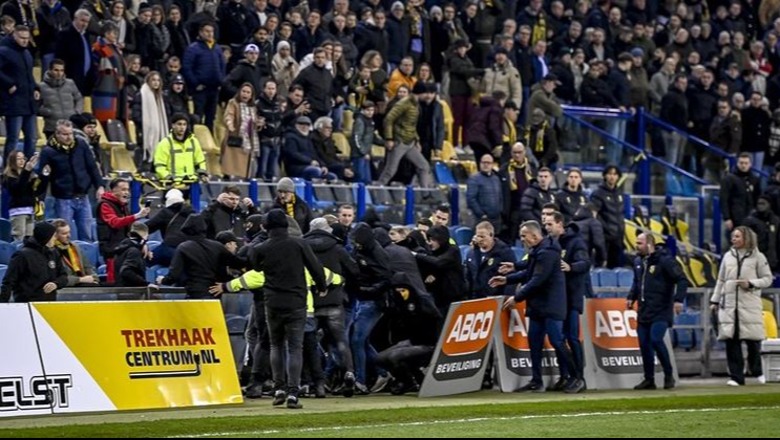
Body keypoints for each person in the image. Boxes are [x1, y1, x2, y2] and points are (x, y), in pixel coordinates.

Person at [490, 221, 582, 393]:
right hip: (538, 306)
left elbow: (538, 279)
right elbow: (530, 272)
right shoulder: (539, 250)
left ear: (534, 235)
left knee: (557, 341)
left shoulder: (547, 252)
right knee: (534, 342)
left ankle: (577, 377)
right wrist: (507, 278)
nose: (522, 239)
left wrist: (517, 297)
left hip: (552, 305)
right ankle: (536, 380)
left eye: (524, 235)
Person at [251, 209, 327, 409]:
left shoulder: (262, 247)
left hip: (273, 302)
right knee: (295, 347)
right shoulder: (299, 244)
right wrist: (322, 287)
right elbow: (316, 268)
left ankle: (279, 389)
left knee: (276, 345)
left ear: (266, 226)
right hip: (296, 302)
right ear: (286, 225)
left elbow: (256, 267)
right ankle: (293, 393)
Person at [710, 226, 773, 386]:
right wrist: (715, 300)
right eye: (733, 236)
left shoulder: (758, 257)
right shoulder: (727, 257)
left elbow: (767, 279)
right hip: (729, 306)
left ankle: (758, 371)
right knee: (731, 341)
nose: (734, 239)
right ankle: (736, 377)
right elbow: (721, 280)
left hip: (749, 305)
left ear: (747, 238)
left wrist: (750, 283)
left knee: (753, 341)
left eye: (737, 236)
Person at [627, 233, 688, 390]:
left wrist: (678, 300)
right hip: (644, 310)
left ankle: (669, 375)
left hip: (661, 309)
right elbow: (637, 282)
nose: (636, 245)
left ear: (649, 244)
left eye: (639, 243)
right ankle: (649, 379)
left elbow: (681, 279)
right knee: (644, 344)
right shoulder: (638, 261)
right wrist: (631, 298)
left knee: (655, 339)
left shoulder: (665, 260)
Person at [37, 119, 105, 242]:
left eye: (71, 134)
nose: (69, 137)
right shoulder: (48, 151)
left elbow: (92, 167)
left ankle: (85, 258)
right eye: (65, 134)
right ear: (57, 134)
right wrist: (40, 198)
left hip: (83, 197)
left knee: (87, 233)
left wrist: (100, 186)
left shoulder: (81, 144)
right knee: (65, 235)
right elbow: (44, 176)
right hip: (63, 199)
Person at [544, 212, 590, 391]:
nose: (547, 228)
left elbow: (586, 263)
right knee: (559, 339)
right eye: (545, 225)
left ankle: (579, 377)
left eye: (550, 224)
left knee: (572, 337)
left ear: (560, 224)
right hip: (558, 299)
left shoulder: (576, 242)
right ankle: (565, 376)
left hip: (571, 297)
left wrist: (571, 267)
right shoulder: (551, 243)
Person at [96, 178, 150, 283]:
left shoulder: (123, 206)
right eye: (123, 189)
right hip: (113, 251)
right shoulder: (105, 205)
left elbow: (131, 228)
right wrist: (137, 215)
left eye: (127, 190)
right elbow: (114, 222)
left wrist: (143, 243)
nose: (126, 193)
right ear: (113, 190)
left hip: (125, 248)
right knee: (116, 281)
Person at [0, 221, 68, 303]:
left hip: (50, 304)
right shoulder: (22, 255)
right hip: (26, 305)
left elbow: (63, 276)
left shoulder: (53, 253)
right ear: (46, 237)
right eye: (53, 236)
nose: (55, 238)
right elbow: (9, 281)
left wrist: (56, 284)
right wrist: (3, 304)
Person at [51, 218, 99, 287]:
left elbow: (88, 267)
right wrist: (80, 279)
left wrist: (94, 278)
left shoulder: (75, 247)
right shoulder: (51, 251)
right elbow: (57, 278)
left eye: (69, 232)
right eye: (64, 234)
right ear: (55, 235)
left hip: (82, 282)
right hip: (66, 285)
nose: (69, 236)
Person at [113, 222, 154, 287]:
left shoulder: (123, 247)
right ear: (145, 235)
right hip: (132, 292)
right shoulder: (134, 251)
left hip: (121, 291)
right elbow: (126, 272)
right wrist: (145, 283)